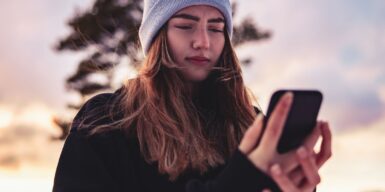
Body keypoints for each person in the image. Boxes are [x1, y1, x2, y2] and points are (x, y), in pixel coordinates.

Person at [53, 0, 332, 191]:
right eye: (185, 26)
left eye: (215, 28)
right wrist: (238, 182)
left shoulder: (252, 127)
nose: (203, 42)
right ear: (157, 35)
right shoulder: (106, 121)